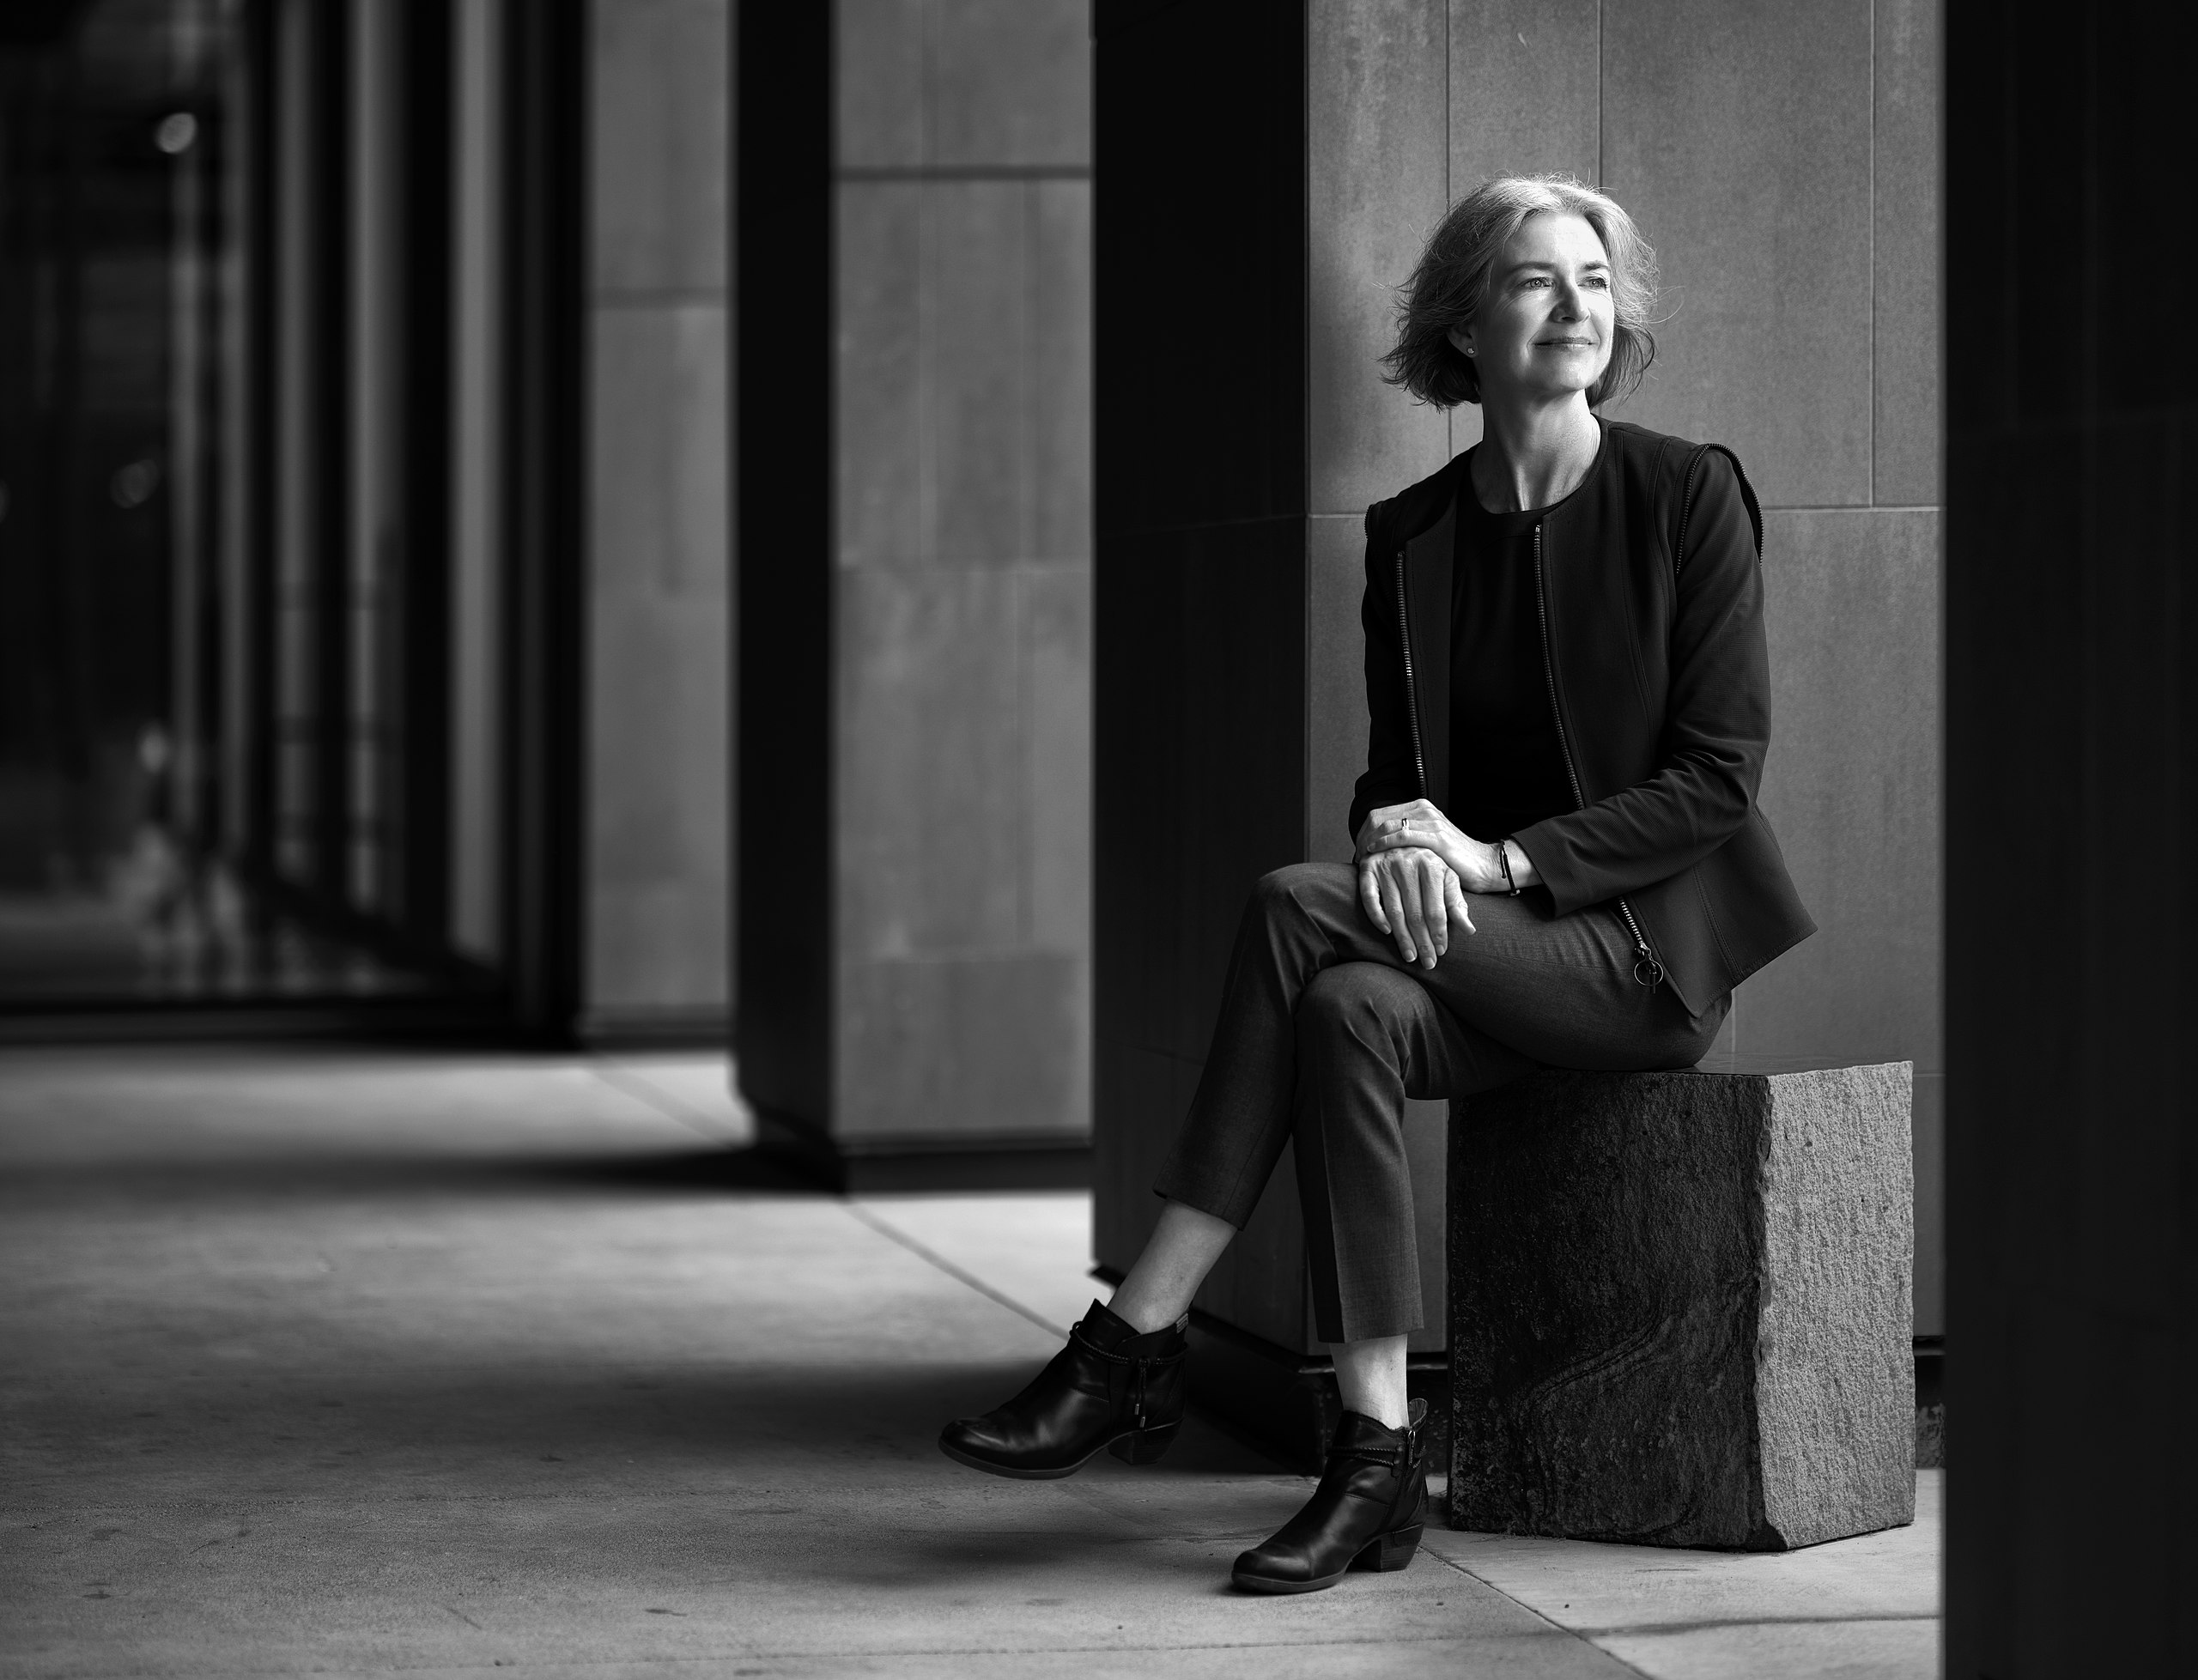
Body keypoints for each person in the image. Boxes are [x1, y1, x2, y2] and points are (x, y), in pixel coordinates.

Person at [937, 174, 1814, 1594]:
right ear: (1465, 324)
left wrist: (1494, 859)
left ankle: (1134, 1335)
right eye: (1537, 278)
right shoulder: (1408, 538)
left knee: (1295, 906)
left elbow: (1719, 778)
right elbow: (1391, 783)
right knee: (1344, 999)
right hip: (1477, 954)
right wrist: (1403, 850)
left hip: (1642, 962)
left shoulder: (1687, 493)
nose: (1575, 304)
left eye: (1594, 278)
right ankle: (1375, 1452)